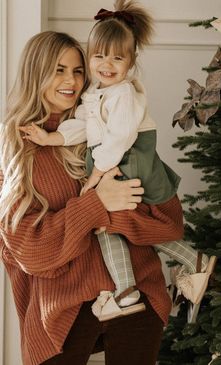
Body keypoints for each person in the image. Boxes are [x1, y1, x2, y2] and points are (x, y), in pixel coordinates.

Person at [19, 0, 216, 324]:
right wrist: (50, 138)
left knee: (108, 220)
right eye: (98, 56)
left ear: (131, 62)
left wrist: (97, 176)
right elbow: (81, 125)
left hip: (130, 157)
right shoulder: (96, 93)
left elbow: (121, 136)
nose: (106, 64)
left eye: (117, 57)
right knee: (108, 223)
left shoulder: (123, 93)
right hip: (114, 157)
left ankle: (146, 282)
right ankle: (153, 279)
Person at [0, 30, 185, 365]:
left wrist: (108, 212)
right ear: (35, 73)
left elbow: (169, 224)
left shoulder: (109, 131)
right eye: (58, 70)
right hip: (59, 309)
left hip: (137, 296)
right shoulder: (14, 148)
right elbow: (29, 249)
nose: (71, 80)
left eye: (78, 70)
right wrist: (97, 205)